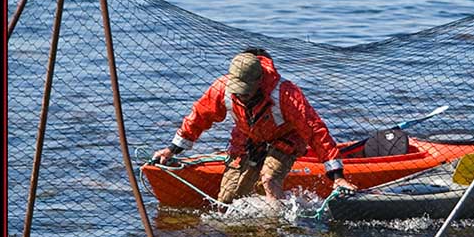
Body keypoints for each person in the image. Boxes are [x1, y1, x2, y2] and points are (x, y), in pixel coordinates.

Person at [153, 48, 357, 205]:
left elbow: (315, 132)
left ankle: (276, 226)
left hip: (285, 138)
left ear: (259, 81)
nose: (241, 96)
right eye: (237, 91)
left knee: (268, 179)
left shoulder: (285, 94)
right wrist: (172, 150)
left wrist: (337, 176)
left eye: (246, 92)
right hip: (247, 137)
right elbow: (198, 118)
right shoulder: (222, 89)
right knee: (227, 198)